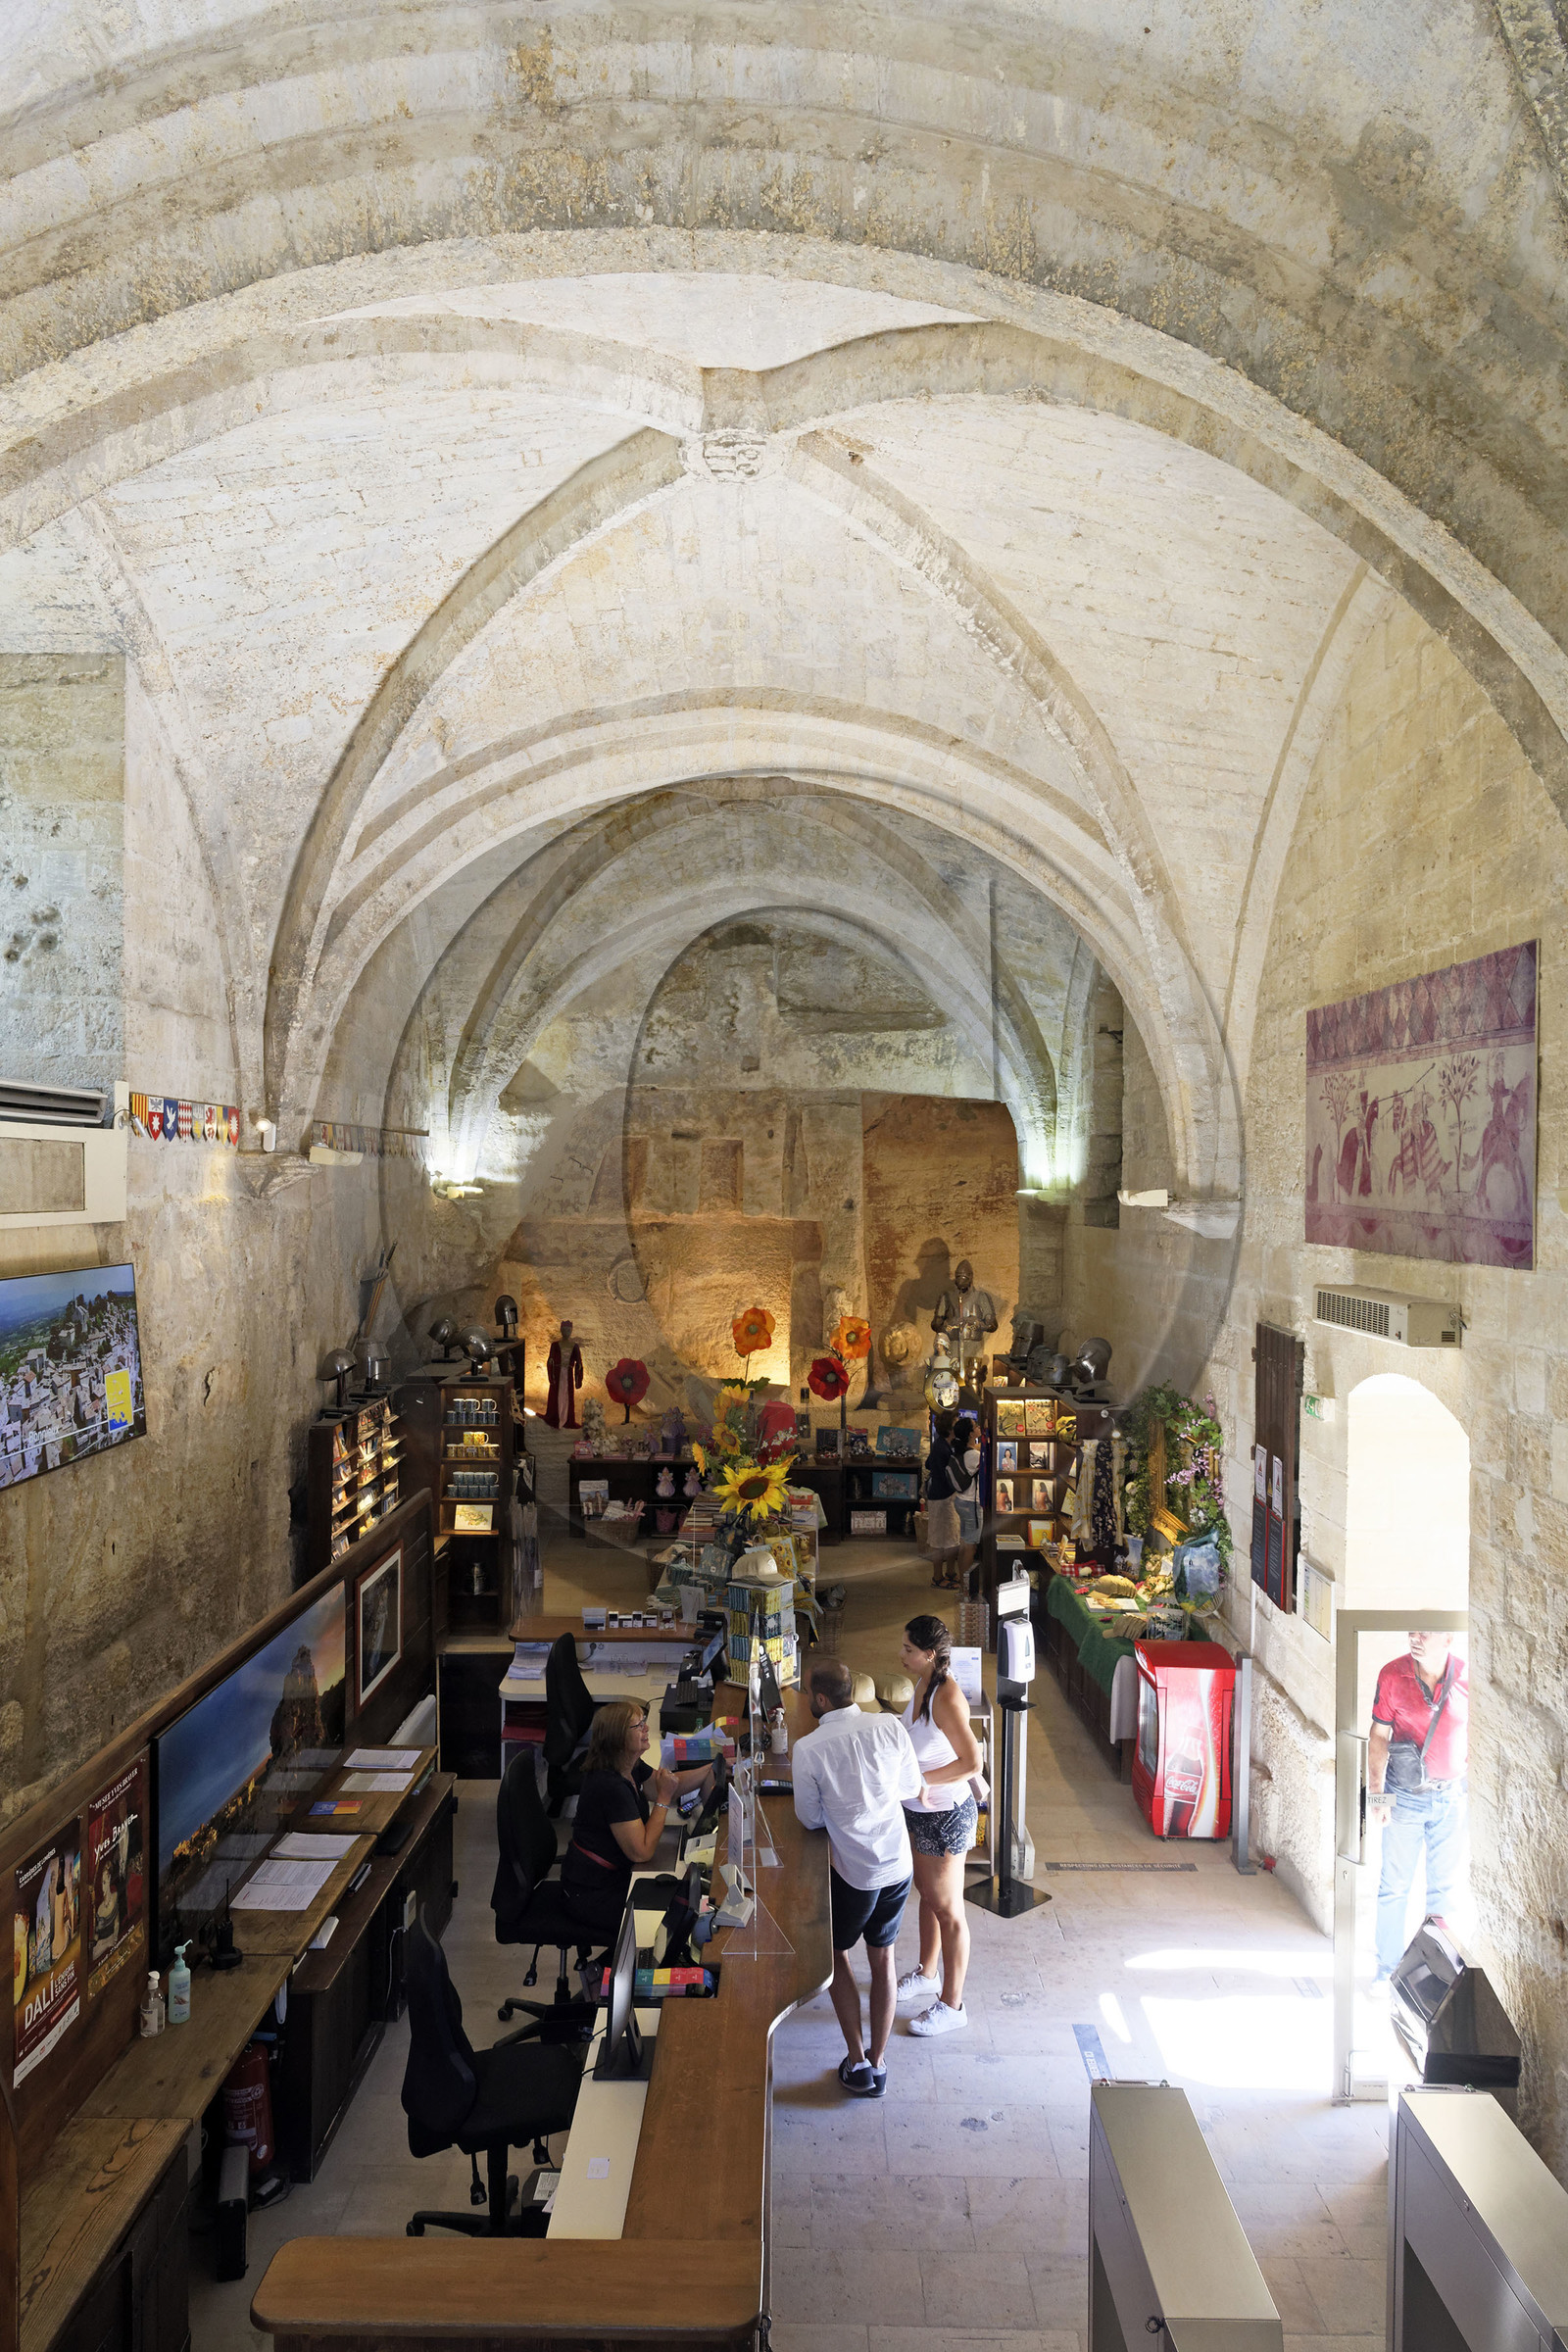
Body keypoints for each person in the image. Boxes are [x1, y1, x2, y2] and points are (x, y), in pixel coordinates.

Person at [792, 1656, 922, 2096]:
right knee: (883, 1957)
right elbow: (908, 1789)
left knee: (838, 1954)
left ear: (821, 1698)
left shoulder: (809, 1749)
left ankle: (857, 2059)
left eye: (810, 1693)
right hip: (898, 1865)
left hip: (855, 1873)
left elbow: (810, 1820)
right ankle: (881, 2064)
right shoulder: (888, 1726)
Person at [559, 1698, 713, 1941]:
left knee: (680, 1895)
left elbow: (667, 1785)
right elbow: (642, 1852)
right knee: (670, 1918)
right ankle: (607, 1971)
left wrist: (710, 1770)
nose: (646, 1729)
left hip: (612, 1876)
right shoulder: (610, 1786)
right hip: (591, 1892)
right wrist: (663, 1799)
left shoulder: (627, 1765)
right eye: (638, 1725)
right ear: (618, 1739)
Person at [895, 1615, 983, 2035]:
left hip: (947, 1814)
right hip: (920, 1810)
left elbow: (972, 1762)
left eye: (909, 1649)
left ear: (929, 1654)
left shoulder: (945, 1696)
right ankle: (927, 1973)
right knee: (926, 1894)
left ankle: (953, 2004)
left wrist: (922, 1781)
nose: (902, 1655)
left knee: (949, 1911)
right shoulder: (922, 1682)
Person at [1367, 1630, 1468, 1984]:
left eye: (1425, 1632)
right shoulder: (1393, 1675)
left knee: (1445, 1890)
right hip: (1405, 1794)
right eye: (1413, 1631)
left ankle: (1438, 1976)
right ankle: (1388, 1970)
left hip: (1452, 1796)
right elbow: (1378, 1737)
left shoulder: (1468, 1677)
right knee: (1394, 1884)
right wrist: (1378, 1797)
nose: (1415, 1637)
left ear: (1448, 1640)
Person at [924, 1410, 969, 1592]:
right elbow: (942, 1475)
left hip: (944, 1497)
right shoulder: (941, 1448)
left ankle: (950, 1572)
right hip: (942, 1498)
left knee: (951, 1538)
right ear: (950, 1428)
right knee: (939, 1539)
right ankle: (937, 1576)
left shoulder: (943, 1444)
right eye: (956, 1422)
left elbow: (928, 1464)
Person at [952, 1416, 983, 1596]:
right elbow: (988, 1461)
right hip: (971, 1504)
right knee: (970, 1546)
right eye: (976, 1427)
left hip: (961, 1501)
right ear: (971, 1434)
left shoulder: (964, 1451)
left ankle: (961, 1584)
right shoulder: (974, 1456)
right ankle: (964, 1588)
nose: (979, 1428)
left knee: (964, 1544)